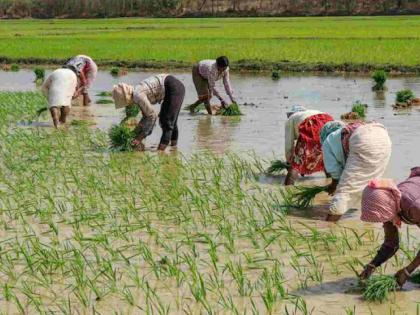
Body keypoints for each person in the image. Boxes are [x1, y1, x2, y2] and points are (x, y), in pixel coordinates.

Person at [359, 168, 420, 287]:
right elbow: (391, 243)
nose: (383, 221)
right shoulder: (389, 205)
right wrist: (372, 265)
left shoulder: (414, 206)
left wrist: (408, 271)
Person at [321, 121, 392, 222]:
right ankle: (373, 222)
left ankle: (328, 226)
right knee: (372, 184)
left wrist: (333, 186)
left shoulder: (327, 142)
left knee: (344, 191)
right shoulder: (342, 134)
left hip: (363, 139)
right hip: (383, 136)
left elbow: (335, 174)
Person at [112, 74, 185, 151]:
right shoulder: (137, 93)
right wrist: (135, 133)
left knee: (167, 122)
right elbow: (145, 117)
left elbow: (152, 116)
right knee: (169, 121)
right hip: (171, 88)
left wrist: (140, 137)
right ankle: (174, 149)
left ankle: (160, 152)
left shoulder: (138, 96)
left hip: (174, 88)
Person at [284, 106, 334, 185]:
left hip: (311, 124)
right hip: (329, 122)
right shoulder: (312, 112)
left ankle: (287, 189)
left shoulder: (291, 119)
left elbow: (288, 145)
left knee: (296, 163)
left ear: (291, 114)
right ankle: (331, 183)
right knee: (325, 157)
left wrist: (289, 162)